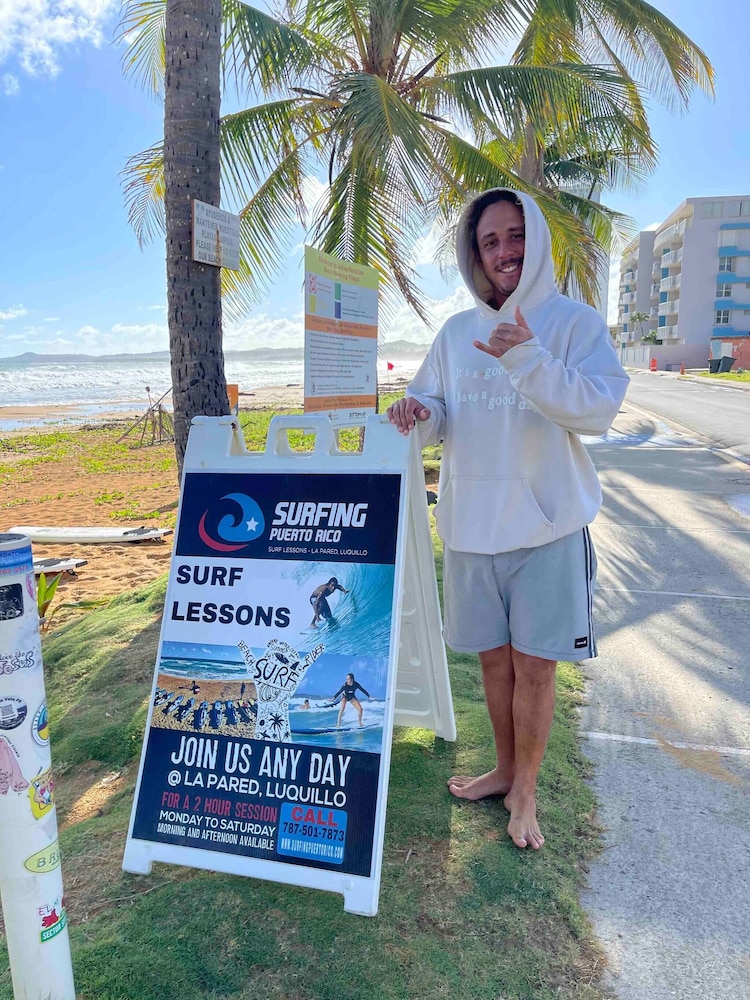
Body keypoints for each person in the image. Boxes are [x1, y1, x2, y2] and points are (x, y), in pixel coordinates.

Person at [387, 189, 628, 850]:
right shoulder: (454, 332)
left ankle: (526, 791)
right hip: (471, 528)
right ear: (476, 254)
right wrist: (418, 416)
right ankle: (501, 770)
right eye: (490, 241)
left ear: (537, 239)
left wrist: (526, 357)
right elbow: (435, 409)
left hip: (548, 528)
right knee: (494, 665)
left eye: (515, 235)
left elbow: (598, 411)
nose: (504, 252)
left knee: (536, 668)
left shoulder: (574, 323)